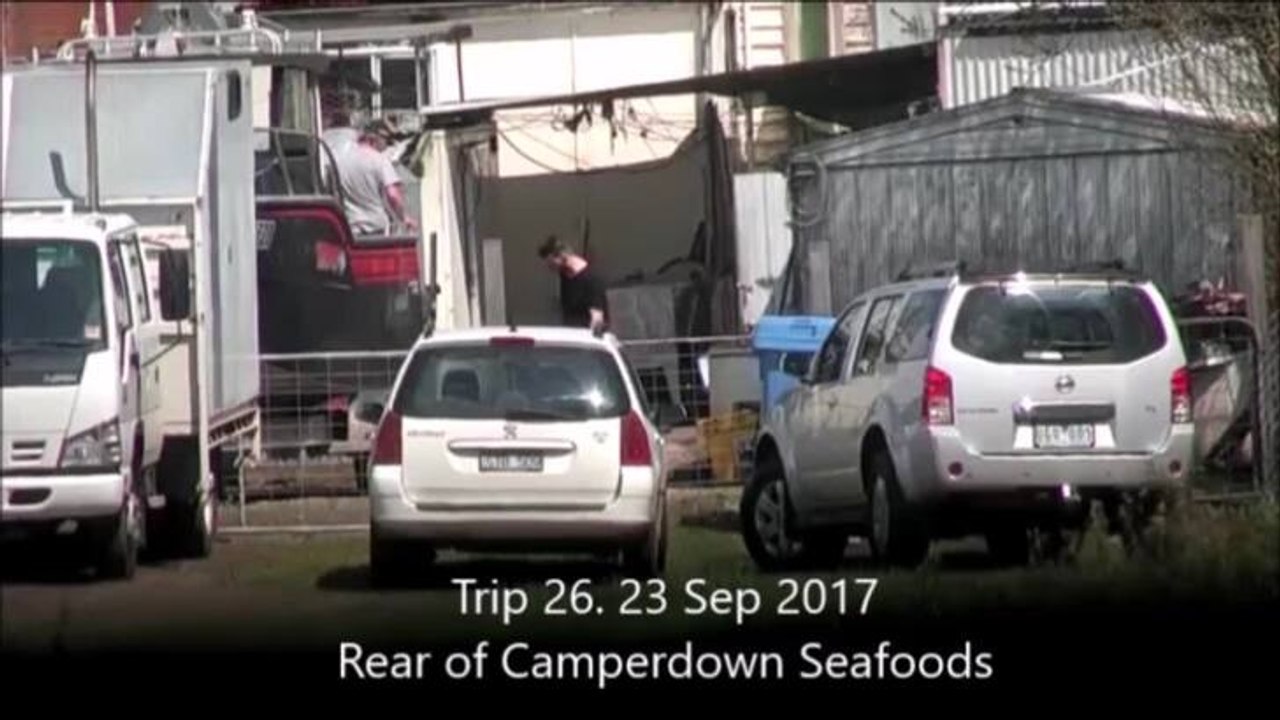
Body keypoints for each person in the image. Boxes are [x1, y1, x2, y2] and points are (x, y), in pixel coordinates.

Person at [335, 119, 416, 236]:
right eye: (386, 140)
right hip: (375, 229)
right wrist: (404, 217)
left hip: (350, 229)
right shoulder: (380, 160)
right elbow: (393, 195)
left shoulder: (340, 161)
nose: (386, 146)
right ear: (374, 138)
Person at [538, 235, 607, 334]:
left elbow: (597, 318)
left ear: (562, 256)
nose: (550, 268)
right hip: (570, 334)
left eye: (551, 263)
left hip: (585, 339)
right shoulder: (565, 276)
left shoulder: (591, 280)